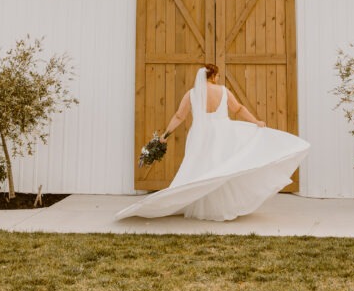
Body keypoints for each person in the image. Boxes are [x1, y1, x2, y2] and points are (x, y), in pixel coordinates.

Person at [114, 63, 310, 222]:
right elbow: (239, 109)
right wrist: (256, 122)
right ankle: (220, 208)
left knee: (201, 169)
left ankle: (200, 206)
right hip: (223, 134)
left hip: (200, 135)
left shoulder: (191, 94)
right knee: (221, 169)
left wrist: (166, 134)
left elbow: (179, 116)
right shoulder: (223, 91)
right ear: (214, 76)